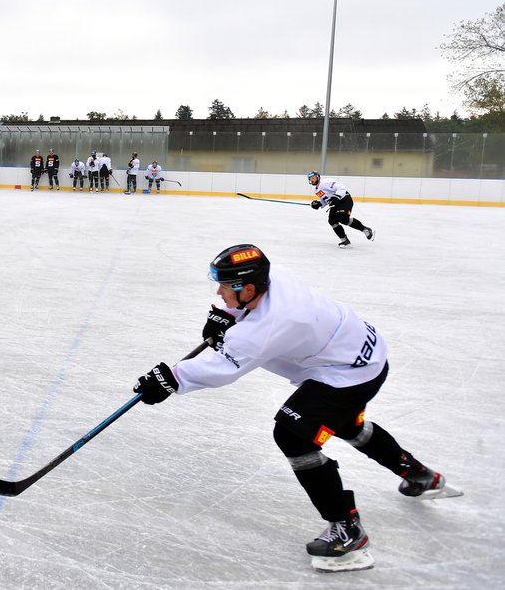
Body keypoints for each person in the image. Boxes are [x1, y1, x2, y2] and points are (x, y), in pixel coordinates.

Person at [133, 244, 449, 573]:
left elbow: (223, 367)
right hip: (360, 351)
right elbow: (246, 311)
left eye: (225, 287)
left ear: (249, 288)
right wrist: (226, 313)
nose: (218, 291)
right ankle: (418, 474)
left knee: (294, 435)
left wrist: (170, 379)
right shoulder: (276, 276)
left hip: (350, 372)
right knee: (345, 424)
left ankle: (347, 529)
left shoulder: (267, 327)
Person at [307, 171, 374, 248]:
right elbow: (326, 200)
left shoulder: (326, 182)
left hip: (344, 199)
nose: (311, 180)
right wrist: (319, 204)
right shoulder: (317, 190)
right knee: (332, 221)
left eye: (313, 178)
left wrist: (336, 196)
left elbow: (341, 188)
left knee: (343, 218)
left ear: (318, 177)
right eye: (310, 179)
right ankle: (344, 240)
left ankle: (366, 230)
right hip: (335, 204)